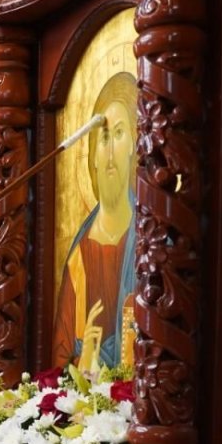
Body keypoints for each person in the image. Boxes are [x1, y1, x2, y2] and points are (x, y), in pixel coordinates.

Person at [52, 72, 138, 372]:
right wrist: (84, 362)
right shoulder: (79, 256)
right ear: (93, 153)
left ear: (133, 146)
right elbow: (60, 362)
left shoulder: (150, 239)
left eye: (118, 133)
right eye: (103, 137)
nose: (111, 150)